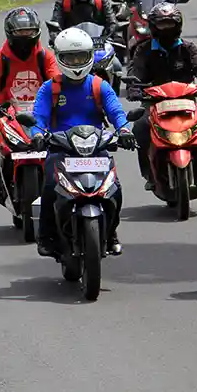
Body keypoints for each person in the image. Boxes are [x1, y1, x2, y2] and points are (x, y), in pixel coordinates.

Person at [31, 27, 135, 257]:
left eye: (80, 57)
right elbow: (39, 117)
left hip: (96, 149)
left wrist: (125, 130)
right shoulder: (50, 88)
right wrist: (38, 135)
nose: (76, 62)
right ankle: (46, 237)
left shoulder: (99, 85)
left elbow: (117, 112)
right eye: (70, 58)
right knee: (49, 186)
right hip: (61, 149)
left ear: (90, 56)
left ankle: (111, 232)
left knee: (114, 189)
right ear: (59, 57)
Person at [126, 3, 197, 190]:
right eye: (162, 24)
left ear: (178, 25)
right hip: (154, 102)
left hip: (186, 101)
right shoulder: (143, 50)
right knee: (140, 127)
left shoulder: (187, 48)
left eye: (170, 24)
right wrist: (134, 89)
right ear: (153, 26)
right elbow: (135, 72)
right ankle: (149, 174)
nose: (166, 28)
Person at [0, 7, 60, 203]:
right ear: (10, 33)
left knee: (62, 141)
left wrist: (60, 98)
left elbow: (56, 80)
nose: (25, 36)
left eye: (29, 31)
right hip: (8, 111)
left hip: (41, 111)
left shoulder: (45, 57)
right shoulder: (0, 58)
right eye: (20, 32)